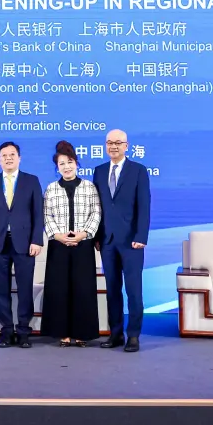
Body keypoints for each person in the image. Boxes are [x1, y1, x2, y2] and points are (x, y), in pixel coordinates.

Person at [93, 128, 151, 353]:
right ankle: (115, 333)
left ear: (127, 146)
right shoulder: (99, 171)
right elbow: (97, 208)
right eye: (109, 142)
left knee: (134, 291)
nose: (113, 146)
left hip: (131, 242)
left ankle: (133, 335)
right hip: (107, 241)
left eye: (118, 143)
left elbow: (144, 206)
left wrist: (141, 236)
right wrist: (97, 237)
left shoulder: (138, 170)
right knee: (112, 290)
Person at [0, 141, 44, 349]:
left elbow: (38, 213)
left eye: (12, 155)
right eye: (4, 156)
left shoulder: (31, 180)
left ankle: (24, 331)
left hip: (25, 243)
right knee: (2, 289)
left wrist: (37, 240)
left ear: (19, 158)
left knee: (25, 288)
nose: (8, 158)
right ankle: (7, 331)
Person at [41, 140, 102, 347]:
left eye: (69, 162)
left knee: (83, 289)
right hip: (58, 245)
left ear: (76, 163)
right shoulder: (51, 189)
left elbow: (96, 213)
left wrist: (83, 234)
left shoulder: (89, 187)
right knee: (59, 289)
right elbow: (46, 216)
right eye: (62, 164)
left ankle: (82, 333)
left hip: (83, 245)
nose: (66, 167)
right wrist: (57, 235)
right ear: (57, 167)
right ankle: (63, 333)